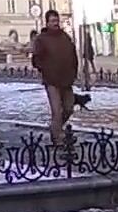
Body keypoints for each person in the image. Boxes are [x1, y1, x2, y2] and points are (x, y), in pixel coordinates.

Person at [32, 9, 81, 147]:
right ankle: (58, 137)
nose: (55, 23)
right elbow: (36, 59)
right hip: (51, 80)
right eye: (52, 21)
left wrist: (73, 71)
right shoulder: (42, 39)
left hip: (66, 80)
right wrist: (45, 69)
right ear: (47, 22)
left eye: (57, 21)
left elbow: (73, 54)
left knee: (69, 108)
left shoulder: (64, 37)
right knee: (57, 110)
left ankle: (55, 128)